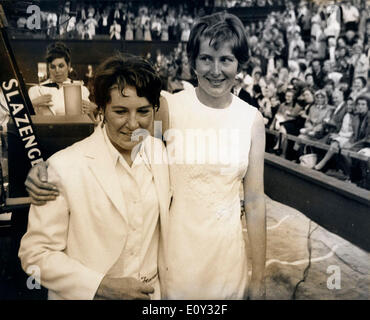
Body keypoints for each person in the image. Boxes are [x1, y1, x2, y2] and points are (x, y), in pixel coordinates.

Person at [25, 12, 266, 300]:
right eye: (206, 58)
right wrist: (45, 170)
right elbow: (117, 140)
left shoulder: (246, 121)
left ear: (239, 62)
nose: (216, 69)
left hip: (215, 262)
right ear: (193, 61)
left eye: (226, 59)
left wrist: (259, 276)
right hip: (169, 266)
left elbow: (253, 199)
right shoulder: (167, 109)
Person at [19, 54, 169, 300]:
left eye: (143, 111)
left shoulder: (160, 152)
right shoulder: (61, 168)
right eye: (120, 111)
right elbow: (35, 255)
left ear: (155, 109)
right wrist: (100, 286)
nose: (133, 124)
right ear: (101, 110)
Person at [28, 42, 97, 118]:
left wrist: (94, 109)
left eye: (61, 66)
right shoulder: (37, 90)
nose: (57, 71)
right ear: (48, 68)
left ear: (68, 66)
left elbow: (92, 121)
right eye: (53, 67)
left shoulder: (80, 89)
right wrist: (32, 104)